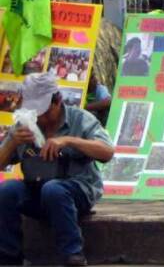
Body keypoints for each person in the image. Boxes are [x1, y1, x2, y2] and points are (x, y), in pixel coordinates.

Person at [0, 73, 114, 266]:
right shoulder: (24, 126)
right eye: (35, 113)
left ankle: (73, 256)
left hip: (76, 190)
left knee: (53, 189)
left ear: (58, 100)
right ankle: (9, 257)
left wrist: (68, 140)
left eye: (44, 112)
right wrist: (12, 143)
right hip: (37, 189)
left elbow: (107, 152)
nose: (40, 118)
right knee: (6, 191)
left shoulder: (80, 118)